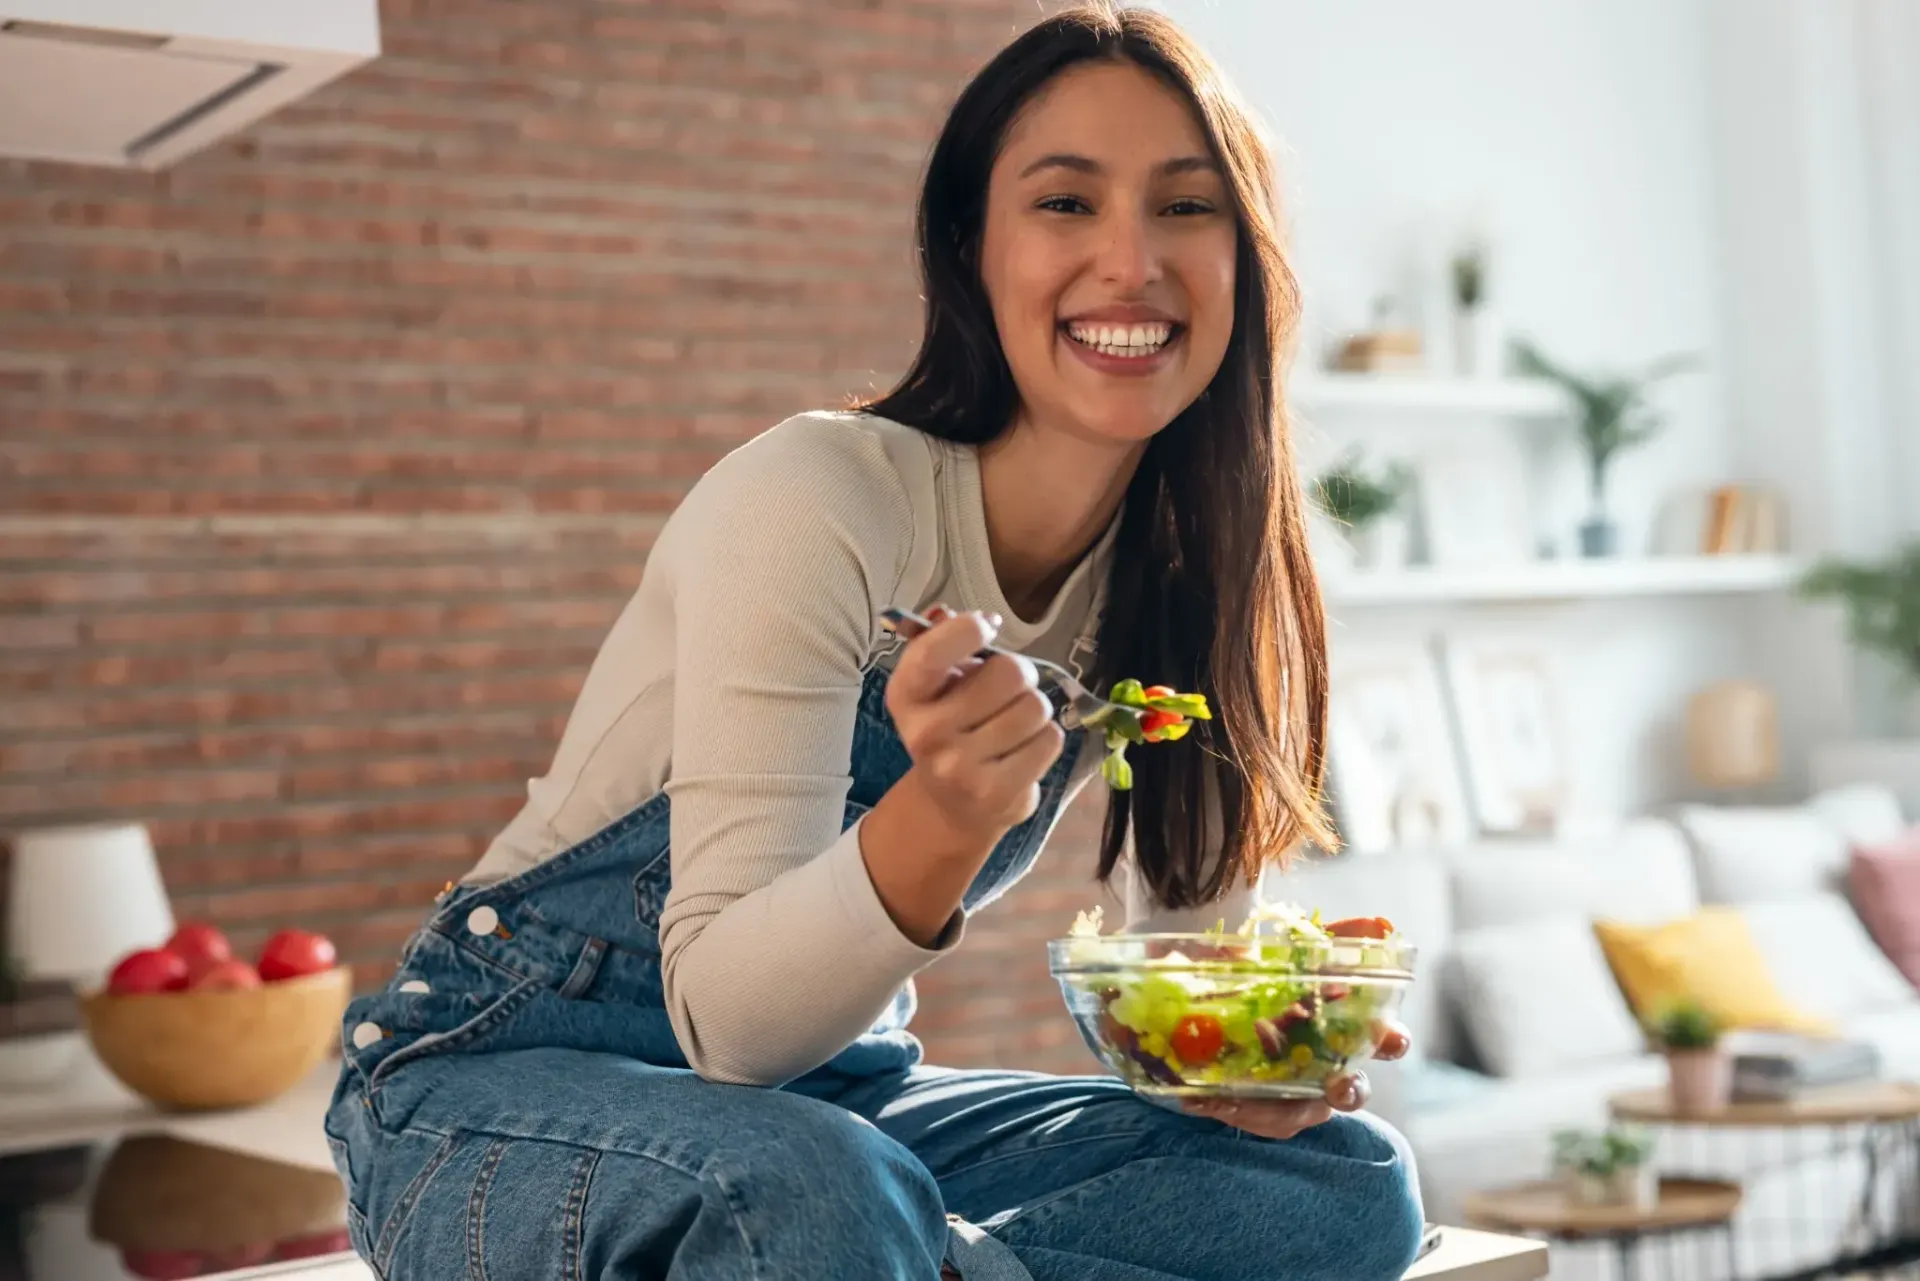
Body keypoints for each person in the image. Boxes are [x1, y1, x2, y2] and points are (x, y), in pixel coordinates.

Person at [323, 5, 1424, 1278]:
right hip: (496, 1079)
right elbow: (730, 1033)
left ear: (1247, 256)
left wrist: (1262, 1055)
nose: (1131, 261)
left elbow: (1188, 984)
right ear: (971, 248)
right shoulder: (819, 496)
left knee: (1342, 1183)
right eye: (1066, 204)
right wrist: (942, 817)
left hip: (836, 1102)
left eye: (1188, 208)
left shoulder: (1183, 579)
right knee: (819, 1193)